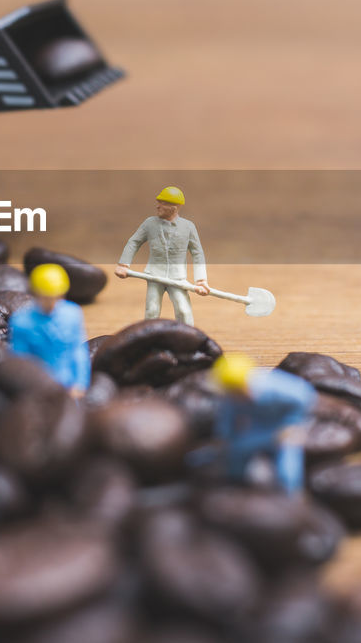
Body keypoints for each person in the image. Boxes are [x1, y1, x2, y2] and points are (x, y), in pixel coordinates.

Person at [211, 352, 317, 494]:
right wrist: (224, 437)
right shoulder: (231, 397)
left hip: (283, 427)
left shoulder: (275, 386)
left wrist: (294, 425)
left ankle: (290, 494)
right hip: (259, 428)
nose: (235, 395)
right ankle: (235, 484)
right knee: (237, 450)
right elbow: (227, 417)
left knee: (287, 462)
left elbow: (304, 397)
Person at [114, 185, 210, 326]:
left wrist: (201, 280)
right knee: (152, 311)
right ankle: (150, 342)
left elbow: (197, 253)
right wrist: (123, 264)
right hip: (154, 275)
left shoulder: (188, 227)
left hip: (177, 277)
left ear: (174, 208)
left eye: (163, 203)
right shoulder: (149, 224)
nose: (158, 206)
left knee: (183, 310)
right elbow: (134, 242)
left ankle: (187, 340)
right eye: (158, 202)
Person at [8, 263, 90, 397]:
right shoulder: (21, 322)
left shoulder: (73, 314)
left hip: (68, 385)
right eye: (46, 297)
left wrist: (80, 383)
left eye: (57, 297)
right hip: (36, 387)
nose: (52, 303)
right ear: (35, 293)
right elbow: (19, 360)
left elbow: (79, 352)